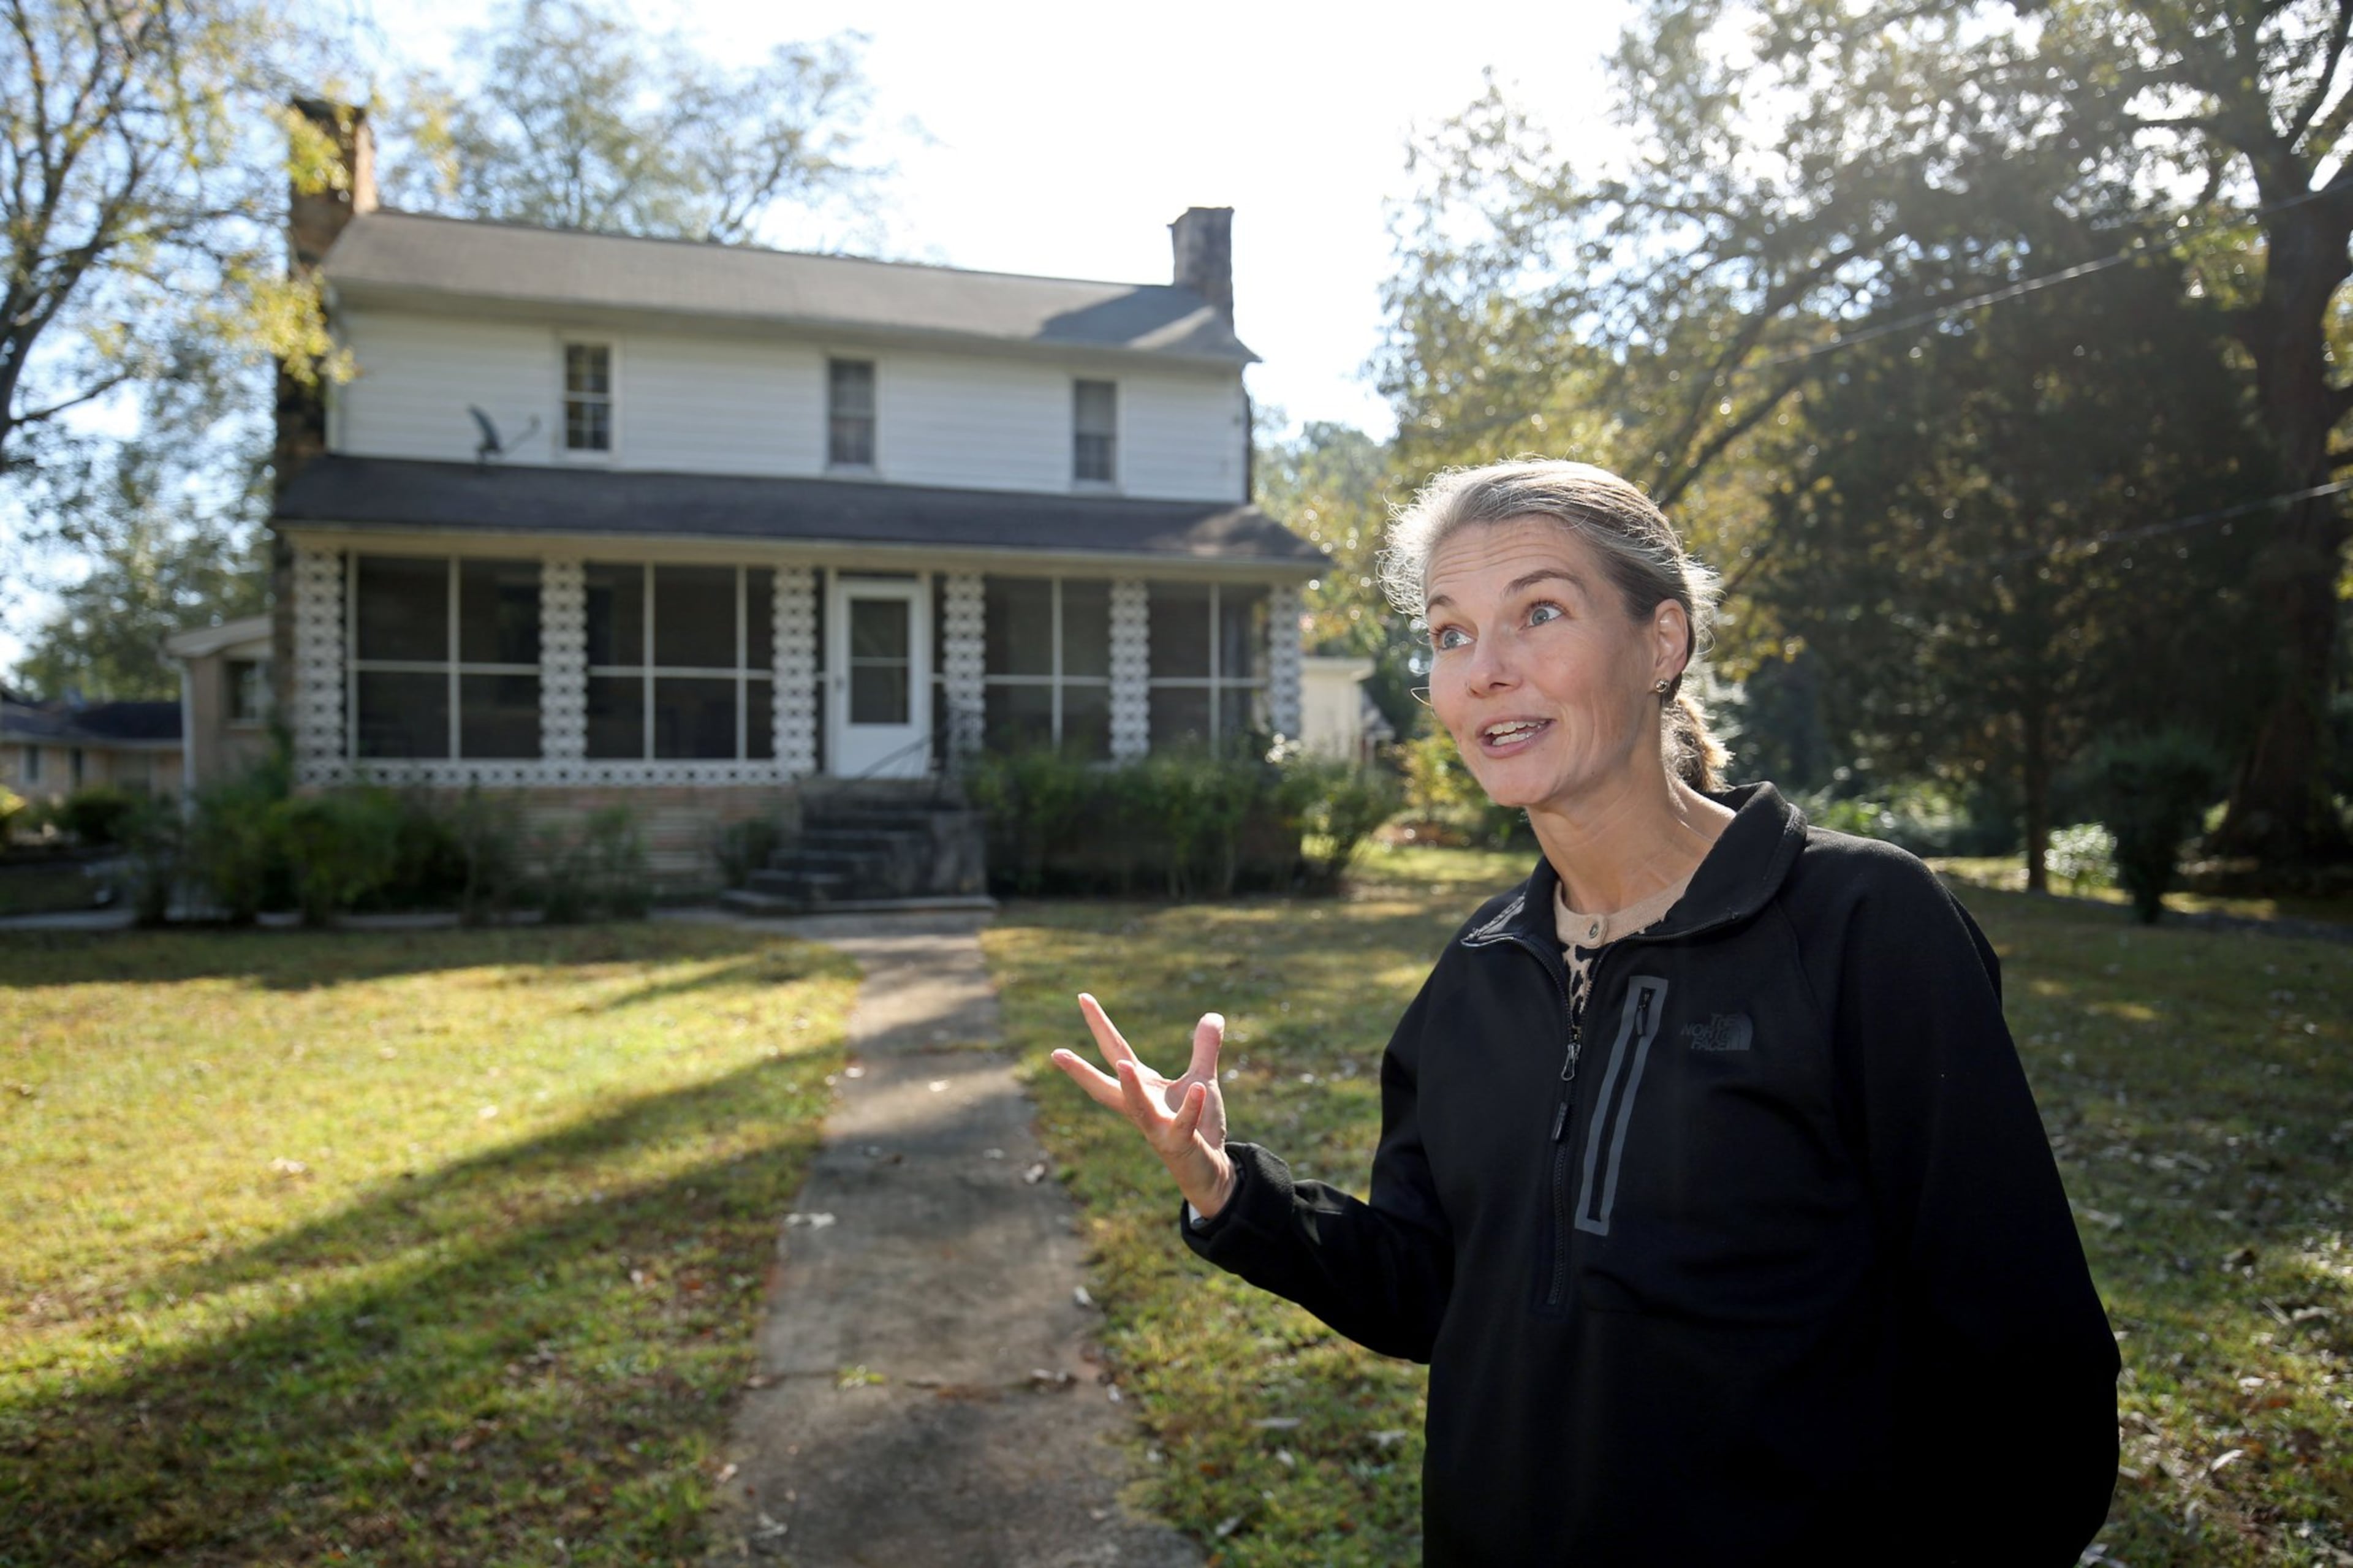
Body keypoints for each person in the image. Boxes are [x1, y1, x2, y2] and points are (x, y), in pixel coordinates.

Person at [1051, 459, 2121, 1566]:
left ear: (1662, 643)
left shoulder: (1863, 926)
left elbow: (2033, 1374)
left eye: (1540, 613)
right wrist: (1232, 1194)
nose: (1486, 671)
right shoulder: (1478, 972)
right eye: (1451, 633)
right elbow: (1435, 1292)